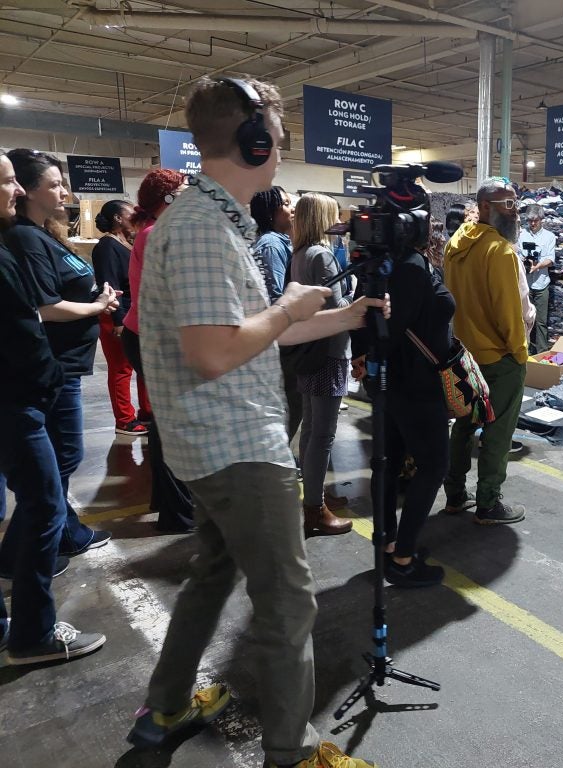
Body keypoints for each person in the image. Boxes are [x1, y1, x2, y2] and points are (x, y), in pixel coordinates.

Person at [125, 75, 383, 768]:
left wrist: (346, 315)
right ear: (255, 141)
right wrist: (292, 309)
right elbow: (215, 352)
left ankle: (166, 707)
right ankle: (290, 754)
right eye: (277, 133)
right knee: (289, 605)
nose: (281, 147)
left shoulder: (214, 219)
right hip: (237, 444)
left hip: (209, 443)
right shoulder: (207, 228)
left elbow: (251, 332)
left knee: (213, 572)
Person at [0, 148, 106, 665]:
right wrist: (98, 306)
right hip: (29, 392)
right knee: (45, 498)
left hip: (35, 388)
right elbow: (34, 317)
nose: (16, 191)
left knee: (47, 491)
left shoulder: (28, 238)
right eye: (9, 183)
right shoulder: (19, 240)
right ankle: (32, 634)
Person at [351, 182, 452, 587]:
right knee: (433, 465)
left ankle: (390, 543)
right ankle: (404, 556)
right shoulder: (409, 267)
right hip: (414, 384)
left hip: (391, 384)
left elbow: (367, 324)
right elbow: (388, 331)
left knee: (389, 463)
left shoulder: (384, 265)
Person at [442, 177, 529, 525]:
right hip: (498, 358)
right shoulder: (501, 252)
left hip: (463, 354)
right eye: (509, 204)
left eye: (516, 203)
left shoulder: (455, 245)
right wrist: (520, 354)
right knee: (497, 433)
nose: (516, 211)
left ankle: (454, 495)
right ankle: (488, 503)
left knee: (463, 425)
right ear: (488, 208)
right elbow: (509, 313)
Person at [121, 168, 196, 533]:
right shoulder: (156, 235)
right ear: (167, 198)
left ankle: (168, 503)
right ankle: (177, 514)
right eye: (183, 189)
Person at [289, 193, 354, 537]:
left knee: (311, 429)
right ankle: (315, 508)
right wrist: (356, 286)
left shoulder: (299, 253)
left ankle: (314, 498)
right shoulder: (323, 255)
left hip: (308, 350)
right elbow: (337, 305)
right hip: (329, 351)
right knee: (322, 434)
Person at [92, 199, 151, 435]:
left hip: (132, 315)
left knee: (141, 365)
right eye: (130, 213)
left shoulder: (126, 243)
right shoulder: (106, 246)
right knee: (121, 368)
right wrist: (118, 321)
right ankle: (124, 419)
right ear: (117, 217)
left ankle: (146, 411)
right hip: (117, 316)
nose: (135, 216)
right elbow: (109, 285)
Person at [251, 186, 303, 442]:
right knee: (290, 403)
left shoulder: (277, 241)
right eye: (285, 203)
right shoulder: (271, 245)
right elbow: (275, 296)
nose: (291, 208)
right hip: (282, 340)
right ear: (271, 212)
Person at [516, 203, 556, 354]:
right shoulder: (521, 235)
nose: (533, 224)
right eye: (530, 221)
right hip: (524, 284)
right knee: (522, 321)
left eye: (536, 220)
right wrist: (524, 261)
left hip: (541, 284)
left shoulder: (549, 237)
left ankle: (542, 353)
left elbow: (550, 259)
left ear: (541, 220)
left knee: (540, 322)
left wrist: (537, 266)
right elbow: (516, 255)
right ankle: (524, 352)